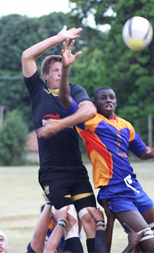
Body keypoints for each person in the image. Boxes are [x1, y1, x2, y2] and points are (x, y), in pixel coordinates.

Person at [53, 39, 154, 252]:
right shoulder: (89, 121)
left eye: (112, 97)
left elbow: (142, 151)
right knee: (152, 247)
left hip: (134, 187)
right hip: (114, 192)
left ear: (116, 102)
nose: (108, 100)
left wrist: (152, 152)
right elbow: (64, 98)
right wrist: (66, 66)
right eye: (103, 98)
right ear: (95, 103)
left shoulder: (126, 125)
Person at [21, 25, 101, 252]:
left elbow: (90, 112)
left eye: (61, 70)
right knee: (71, 221)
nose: (58, 73)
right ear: (45, 75)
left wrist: (60, 125)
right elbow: (27, 55)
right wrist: (58, 38)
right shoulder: (38, 91)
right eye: (54, 70)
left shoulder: (74, 90)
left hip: (76, 169)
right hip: (52, 172)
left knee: (91, 219)